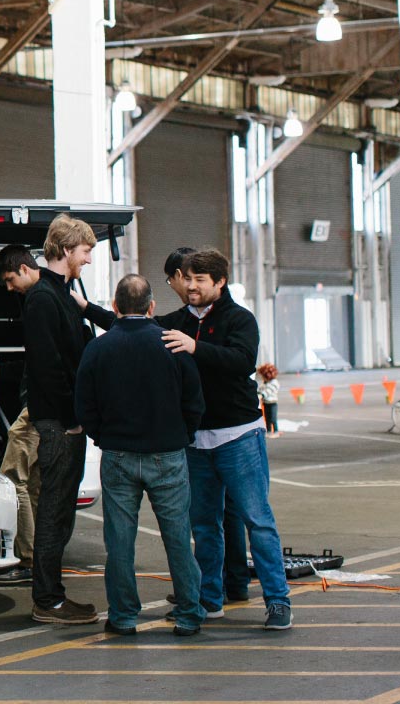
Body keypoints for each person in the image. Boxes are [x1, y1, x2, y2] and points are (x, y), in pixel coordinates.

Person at [160, 248, 292, 631]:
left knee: (258, 520)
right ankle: (208, 600)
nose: (191, 286)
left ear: (219, 282)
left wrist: (194, 346)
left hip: (239, 437)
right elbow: (135, 324)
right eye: (187, 279)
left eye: (200, 280)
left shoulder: (240, 319)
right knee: (203, 525)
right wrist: (85, 306)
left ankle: (278, 601)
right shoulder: (180, 320)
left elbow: (240, 360)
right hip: (196, 441)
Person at [75, 274, 206, 637]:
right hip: (168, 453)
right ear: (151, 307)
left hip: (118, 454)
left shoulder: (99, 348)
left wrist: (102, 437)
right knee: (177, 536)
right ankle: (190, 615)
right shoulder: (171, 344)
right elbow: (194, 400)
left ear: (115, 308)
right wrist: (183, 435)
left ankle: (123, 617)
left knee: (119, 540)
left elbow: (84, 404)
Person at [26, 214, 101, 624]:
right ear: (67, 249)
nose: (88, 259)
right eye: (86, 251)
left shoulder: (61, 295)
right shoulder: (44, 298)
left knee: (61, 511)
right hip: (59, 423)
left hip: (65, 421)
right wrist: (73, 418)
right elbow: (49, 367)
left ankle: (51, 596)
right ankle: (48, 600)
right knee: (55, 511)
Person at [0, 244, 42, 585]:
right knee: (32, 484)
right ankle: (36, 559)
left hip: (38, 407)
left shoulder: (40, 301)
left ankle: (29, 559)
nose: (7, 289)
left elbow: (46, 361)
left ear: (23, 268)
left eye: (8, 280)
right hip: (44, 406)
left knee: (12, 479)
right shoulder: (46, 296)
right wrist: (4, 371)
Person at [257, 363, 280, 438]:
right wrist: (257, 392)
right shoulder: (265, 382)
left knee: (273, 418)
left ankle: (276, 431)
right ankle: (269, 431)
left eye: (263, 376)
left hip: (272, 403)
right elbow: (260, 389)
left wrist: (261, 395)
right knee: (267, 418)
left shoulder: (274, 383)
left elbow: (268, 390)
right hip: (266, 403)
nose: (262, 378)